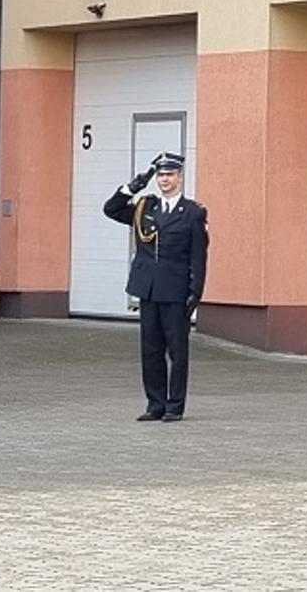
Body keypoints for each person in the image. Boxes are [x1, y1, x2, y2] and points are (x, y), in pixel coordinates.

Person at [101, 152, 209, 423]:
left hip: (175, 289)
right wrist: (134, 186)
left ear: (180, 177)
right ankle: (155, 404)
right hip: (148, 287)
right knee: (150, 349)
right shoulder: (144, 207)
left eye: (169, 175)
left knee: (177, 350)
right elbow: (111, 209)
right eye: (160, 175)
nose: (164, 180)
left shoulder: (193, 212)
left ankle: (174, 407)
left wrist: (195, 291)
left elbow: (198, 255)